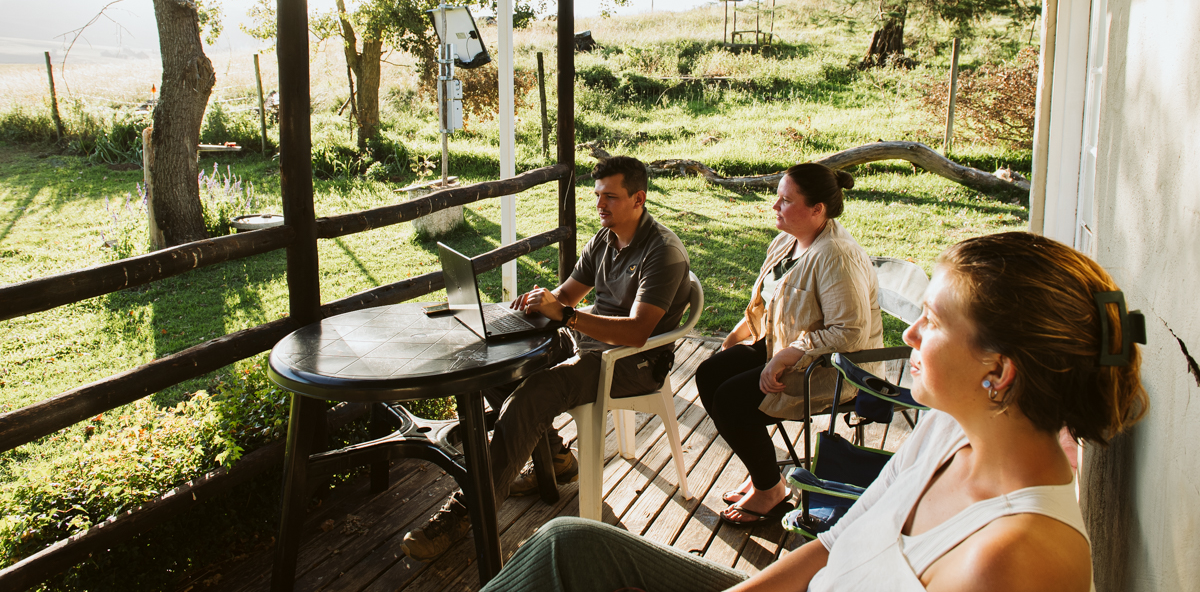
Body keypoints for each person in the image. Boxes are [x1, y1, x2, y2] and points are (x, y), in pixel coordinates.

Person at [473, 231, 1148, 592]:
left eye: (933, 322)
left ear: (998, 372)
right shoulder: (948, 430)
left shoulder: (1021, 558)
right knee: (571, 545)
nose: (908, 334)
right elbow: (836, 544)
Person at [402, 155, 692, 560]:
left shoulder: (662, 251)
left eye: (611, 196)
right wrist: (544, 303)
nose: (600, 205)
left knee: (532, 394)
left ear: (638, 199)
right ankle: (554, 458)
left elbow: (638, 331)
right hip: (588, 345)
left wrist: (568, 315)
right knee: (494, 365)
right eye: (597, 196)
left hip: (630, 364)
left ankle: (467, 511)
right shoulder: (606, 239)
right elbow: (568, 297)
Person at [696, 162, 883, 525]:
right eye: (777, 197)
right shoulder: (786, 242)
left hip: (831, 370)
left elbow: (850, 332)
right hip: (784, 350)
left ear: (818, 210)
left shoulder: (835, 256)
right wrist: (741, 334)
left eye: (785, 200)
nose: (774, 206)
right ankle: (766, 476)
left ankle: (769, 491)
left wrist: (785, 355)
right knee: (709, 375)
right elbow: (771, 303)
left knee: (732, 401)